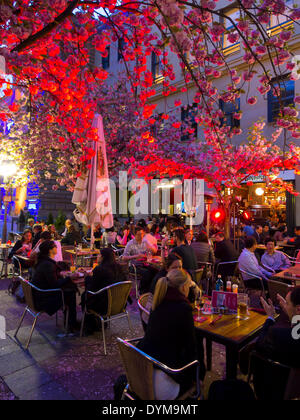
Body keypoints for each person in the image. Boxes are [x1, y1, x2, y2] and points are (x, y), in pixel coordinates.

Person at [138, 269, 205, 398]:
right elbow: (191, 349)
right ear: (184, 287)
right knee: (196, 347)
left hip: (144, 373)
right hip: (164, 383)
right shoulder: (183, 308)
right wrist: (198, 377)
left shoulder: (158, 301)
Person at [31, 240, 79, 331]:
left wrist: (60, 274)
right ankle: (71, 323)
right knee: (70, 292)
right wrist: (69, 278)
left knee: (69, 289)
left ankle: (70, 322)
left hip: (37, 295)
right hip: (44, 299)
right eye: (54, 246)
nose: (56, 248)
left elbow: (48, 279)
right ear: (50, 250)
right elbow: (54, 284)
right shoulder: (48, 264)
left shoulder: (43, 262)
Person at [81, 248, 127, 333]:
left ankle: (89, 326)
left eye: (99, 255)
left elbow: (93, 288)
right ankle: (99, 323)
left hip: (104, 306)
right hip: (119, 304)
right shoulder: (119, 268)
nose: (97, 256)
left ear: (103, 257)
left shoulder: (99, 269)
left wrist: (88, 278)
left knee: (85, 295)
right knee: (100, 293)